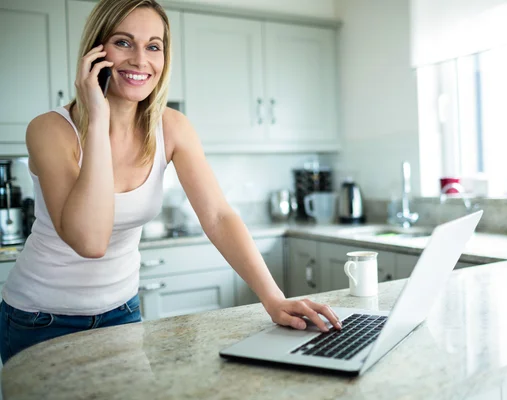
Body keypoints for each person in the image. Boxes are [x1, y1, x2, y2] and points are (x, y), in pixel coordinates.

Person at [0, 0, 341, 364]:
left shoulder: (172, 126)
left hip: (123, 314)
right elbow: (90, 241)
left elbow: (218, 217)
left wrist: (273, 298)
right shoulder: (50, 130)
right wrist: (97, 119)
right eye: (123, 42)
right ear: (96, 51)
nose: (140, 60)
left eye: (153, 46)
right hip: (40, 320)